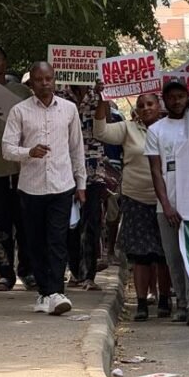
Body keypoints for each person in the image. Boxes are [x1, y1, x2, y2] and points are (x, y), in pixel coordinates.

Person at [1, 62, 86, 315]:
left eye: (49, 78)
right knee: (35, 242)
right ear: (31, 83)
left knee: (57, 240)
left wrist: (81, 184)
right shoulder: (19, 111)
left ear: (55, 79)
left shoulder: (69, 109)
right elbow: (6, 149)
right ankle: (44, 293)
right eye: (39, 79)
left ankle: (56, 292)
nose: (45, 83)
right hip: (31, 188)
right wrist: (29, 152)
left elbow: (77, 148)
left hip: (62, 185)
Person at [94, 93, 172, 321]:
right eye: (141, 105)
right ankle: (141, 304)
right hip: (135, 198)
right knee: (141, 255)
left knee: (164, 254)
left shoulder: (171, 128)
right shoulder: (127, 128)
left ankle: (165, 300)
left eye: (150, 104)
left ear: (159, 105)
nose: (146, 108)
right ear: (136, 110)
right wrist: (102, 99)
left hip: (167, 200)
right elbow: (100, 132)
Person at [146, 79, 189, 326]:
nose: (177, 101)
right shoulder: (156, 130)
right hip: (167, 206)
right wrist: (167, 205)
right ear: (164, 101)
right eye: (171, 97)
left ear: (187, 97)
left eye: (181, 96)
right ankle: (181, 303)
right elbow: (156, 171)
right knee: (173, 257)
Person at [0, 46, 34, 292]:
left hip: (22, 167)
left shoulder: (22, 92)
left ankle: (28, 271)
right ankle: (4, 273)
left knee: (24, 222)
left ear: (5, 62)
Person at [63, 82, 108, 291]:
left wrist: (103, 97)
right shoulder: (59, 93)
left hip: (93, 166)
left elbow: (103, 127)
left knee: (92, 222)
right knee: (69, 224)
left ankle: (89, 275)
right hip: (66, 166)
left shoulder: (98, 93)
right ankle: (74, 271)